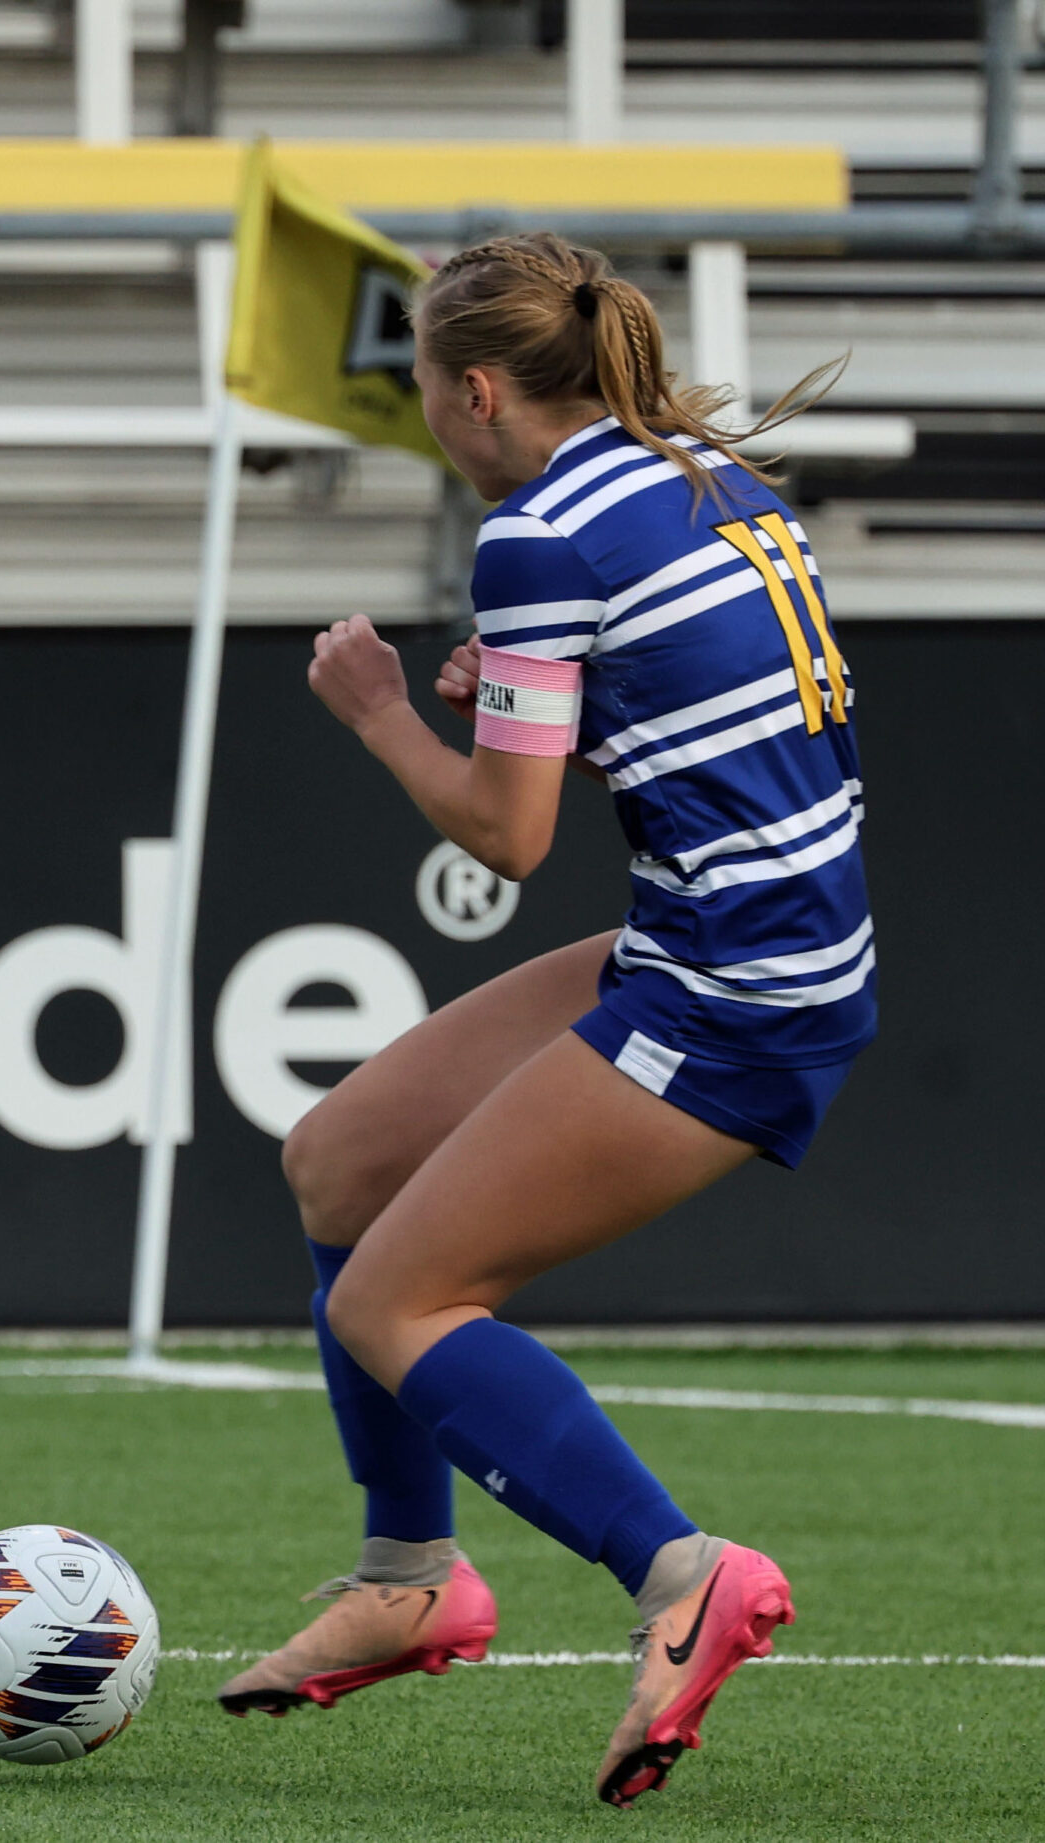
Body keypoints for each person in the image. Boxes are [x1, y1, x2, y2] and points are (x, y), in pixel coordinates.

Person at [213, 233, 866, 1809]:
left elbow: (504, 844)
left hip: (731, 986)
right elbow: (703, 721)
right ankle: (410, 1577)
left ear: (478, 392)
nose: (431, 417)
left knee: (396, 1304)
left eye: (426, 389)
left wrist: (377, 711)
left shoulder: (537, 534)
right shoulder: (704, 477)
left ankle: (684, 1574)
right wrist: (536, 707)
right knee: (338, 1161)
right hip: (737, 934)